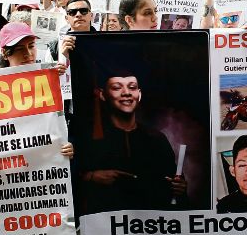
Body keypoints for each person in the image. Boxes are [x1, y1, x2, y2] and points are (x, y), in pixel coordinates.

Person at [79, 67, 186, 215]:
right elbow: (71, 181)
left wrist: (179, 187)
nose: (126, 93)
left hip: (150, 225)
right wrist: (91, 177)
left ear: (139, 94)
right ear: (102, 94)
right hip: (107, 224)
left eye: (132, 87)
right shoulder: (89, 138)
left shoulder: (156, 139)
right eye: (117, 88)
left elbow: (174, 183)